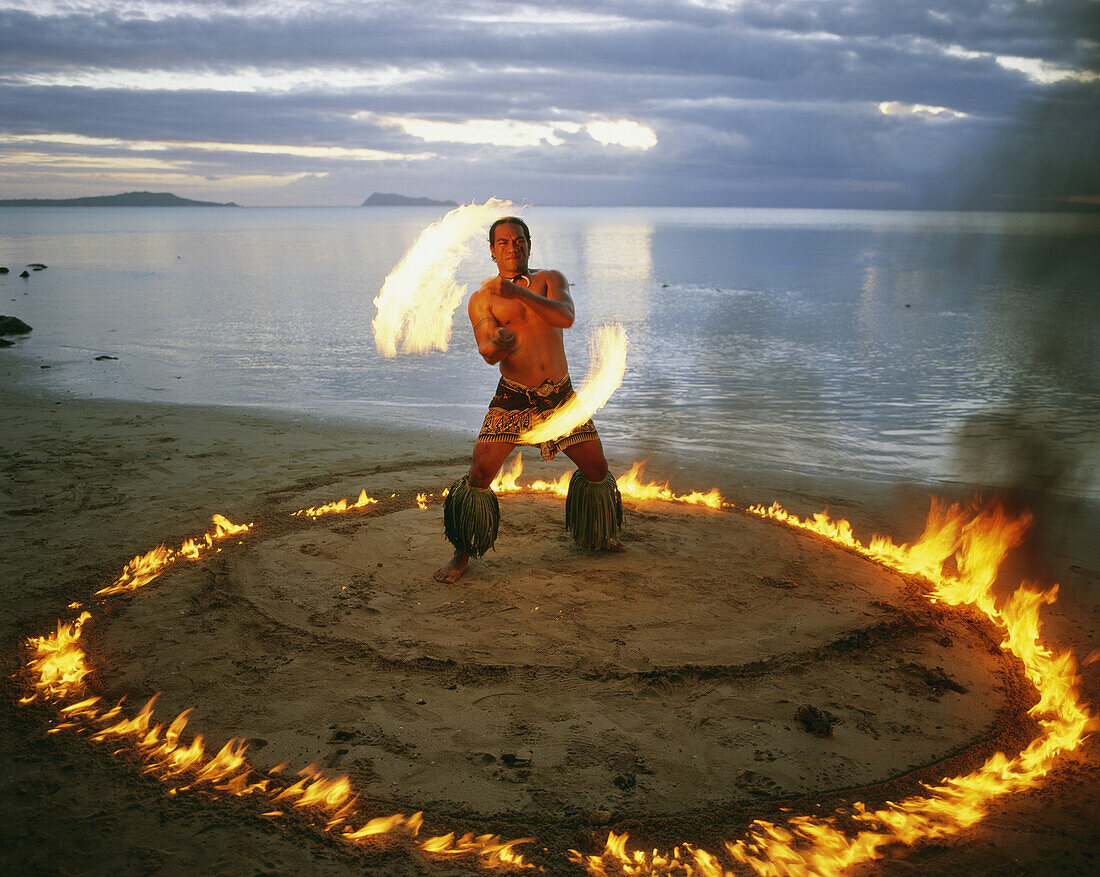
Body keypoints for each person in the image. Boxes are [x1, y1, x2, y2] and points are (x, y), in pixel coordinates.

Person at [434, 216, 625, 583]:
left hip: (560, 397)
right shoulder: (481, 299)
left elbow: (566, 317)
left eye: (519, 240)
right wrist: (498, 345)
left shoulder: (551, 280)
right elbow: (486, 350)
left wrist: (521, 293)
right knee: (479, 475)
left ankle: (598, 534)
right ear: (492, 251)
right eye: (503, 242)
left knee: (597, 470)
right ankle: (461, 553)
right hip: (514, 397)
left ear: (529, 243)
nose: (512, 246)